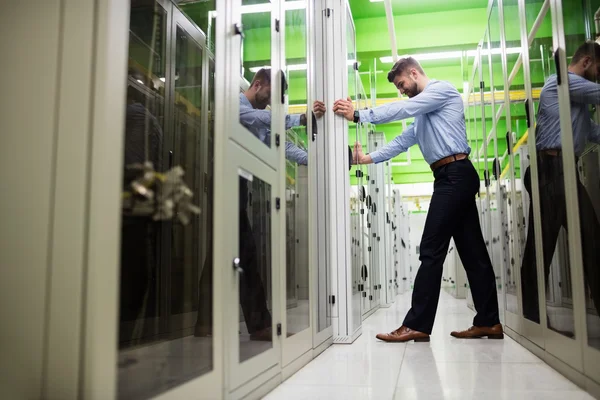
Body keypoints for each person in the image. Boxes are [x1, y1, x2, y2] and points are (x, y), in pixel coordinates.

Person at [333, 57, 502, 342]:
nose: (402, 91)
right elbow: (402, 142)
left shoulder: (441, 91)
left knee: (430, 249)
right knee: (473, 253)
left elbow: (406, 107)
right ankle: (488, 322)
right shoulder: (425, 116)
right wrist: (366, 158)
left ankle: (417, 324)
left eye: (402, 84)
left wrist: (359, 114)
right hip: (450, 177)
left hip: (455, 175)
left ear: (414, 73)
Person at [195, 68, 325, 341]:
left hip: (238, 187)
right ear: (257, 84)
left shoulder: (263, 118)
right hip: (223, 183)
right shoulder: (235, 105)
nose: (269, 104)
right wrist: (300, 118)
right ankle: (259, 325)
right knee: (248, 255)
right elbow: (256, 118)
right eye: (269, 96)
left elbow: (281, 146)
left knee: (221, 255)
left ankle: (206, 323)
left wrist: (319, 159)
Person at [520, 41, 600, 327]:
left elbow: (592, 132)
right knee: (542, 245)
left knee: (590, 238)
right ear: (587, 62)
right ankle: (532, 316)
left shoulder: (576, 101)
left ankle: (533, 313)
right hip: (549, 169)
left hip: (563, 170)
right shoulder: (563, 83)